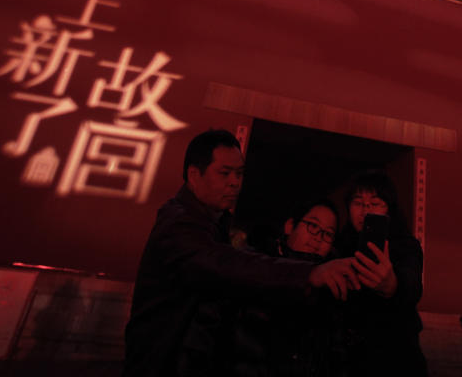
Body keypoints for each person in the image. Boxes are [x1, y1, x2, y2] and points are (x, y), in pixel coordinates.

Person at [123, 129, 358, 377]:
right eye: (225, 173)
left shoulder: (214, 222)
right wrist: (309, 274)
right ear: (194, 175)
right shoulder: (179, 224)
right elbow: (222, 264)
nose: (235, 182)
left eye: (239, 174)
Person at [233, 198, 346, 377]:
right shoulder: (257, 266)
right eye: (313, 226)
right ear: (290, 226)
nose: (318, 237)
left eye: (327, 234)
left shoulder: (332, 287)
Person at [336, 171, 427, 377]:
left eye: (375, 203)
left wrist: (393, 284)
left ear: (389, 210)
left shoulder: (406, 244)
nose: (365, 209)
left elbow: (412, 284)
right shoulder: (338, 245)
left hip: (394, 359)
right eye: (358, 202)